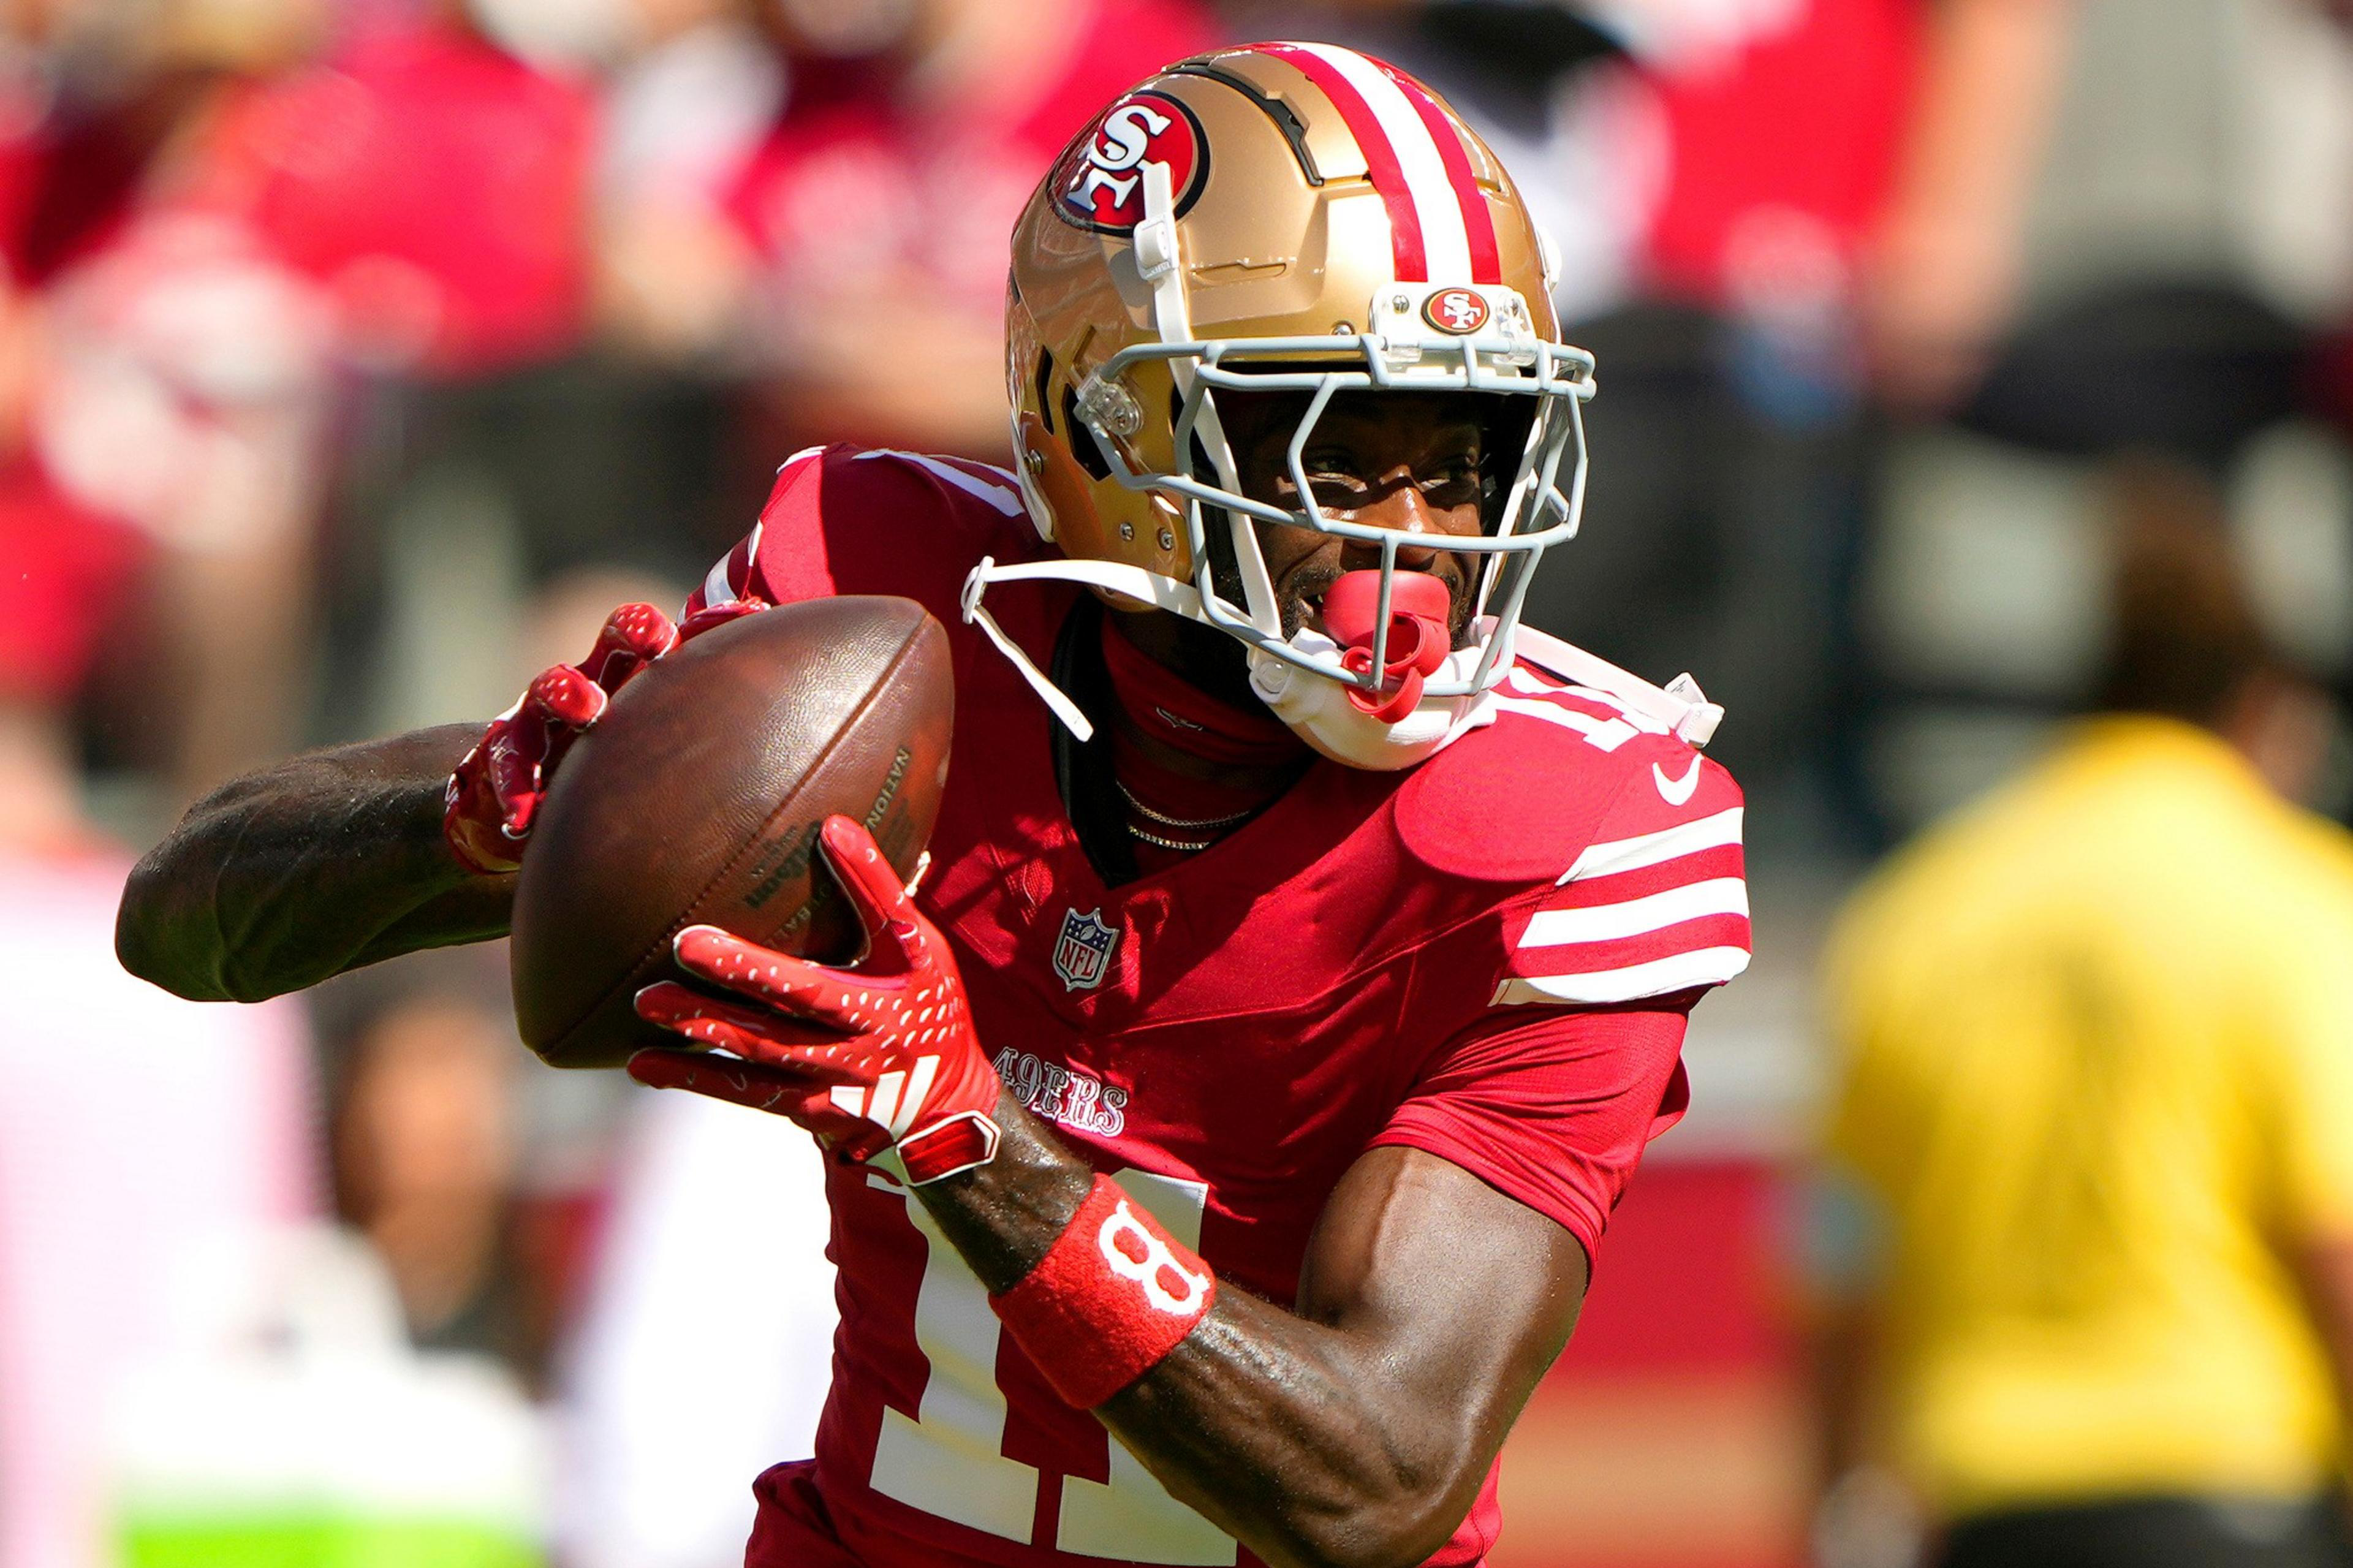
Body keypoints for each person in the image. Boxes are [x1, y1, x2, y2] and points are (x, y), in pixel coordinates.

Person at [118, 42, 1752, 1568]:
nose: (1415, 539)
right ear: (1111, 418)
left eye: (1463, 452)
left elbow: (1382, 1474)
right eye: (1333, 449)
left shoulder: (1581, 827)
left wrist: (969, 1134)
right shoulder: (893, 617)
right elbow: (182, 922)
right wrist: (479, 820)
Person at [1810, 464, 2353, 1568]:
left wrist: (1828, 1505)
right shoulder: (2298, 893)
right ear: (2263, 708)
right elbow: (2333, 1240)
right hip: (2242, 1488)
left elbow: (1837, 1257)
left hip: (1988, 1507)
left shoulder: (1916, 911)